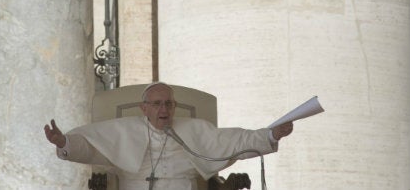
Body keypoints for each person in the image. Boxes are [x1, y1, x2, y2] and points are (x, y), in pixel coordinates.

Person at [44, 82, 293, 190]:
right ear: (144, 108)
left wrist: (271, 134)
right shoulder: (122, 130)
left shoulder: (194, 130)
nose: (164, 110)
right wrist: (64, 142)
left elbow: (236, 140)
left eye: (169, 104)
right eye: (157, 104)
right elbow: (90, 145)